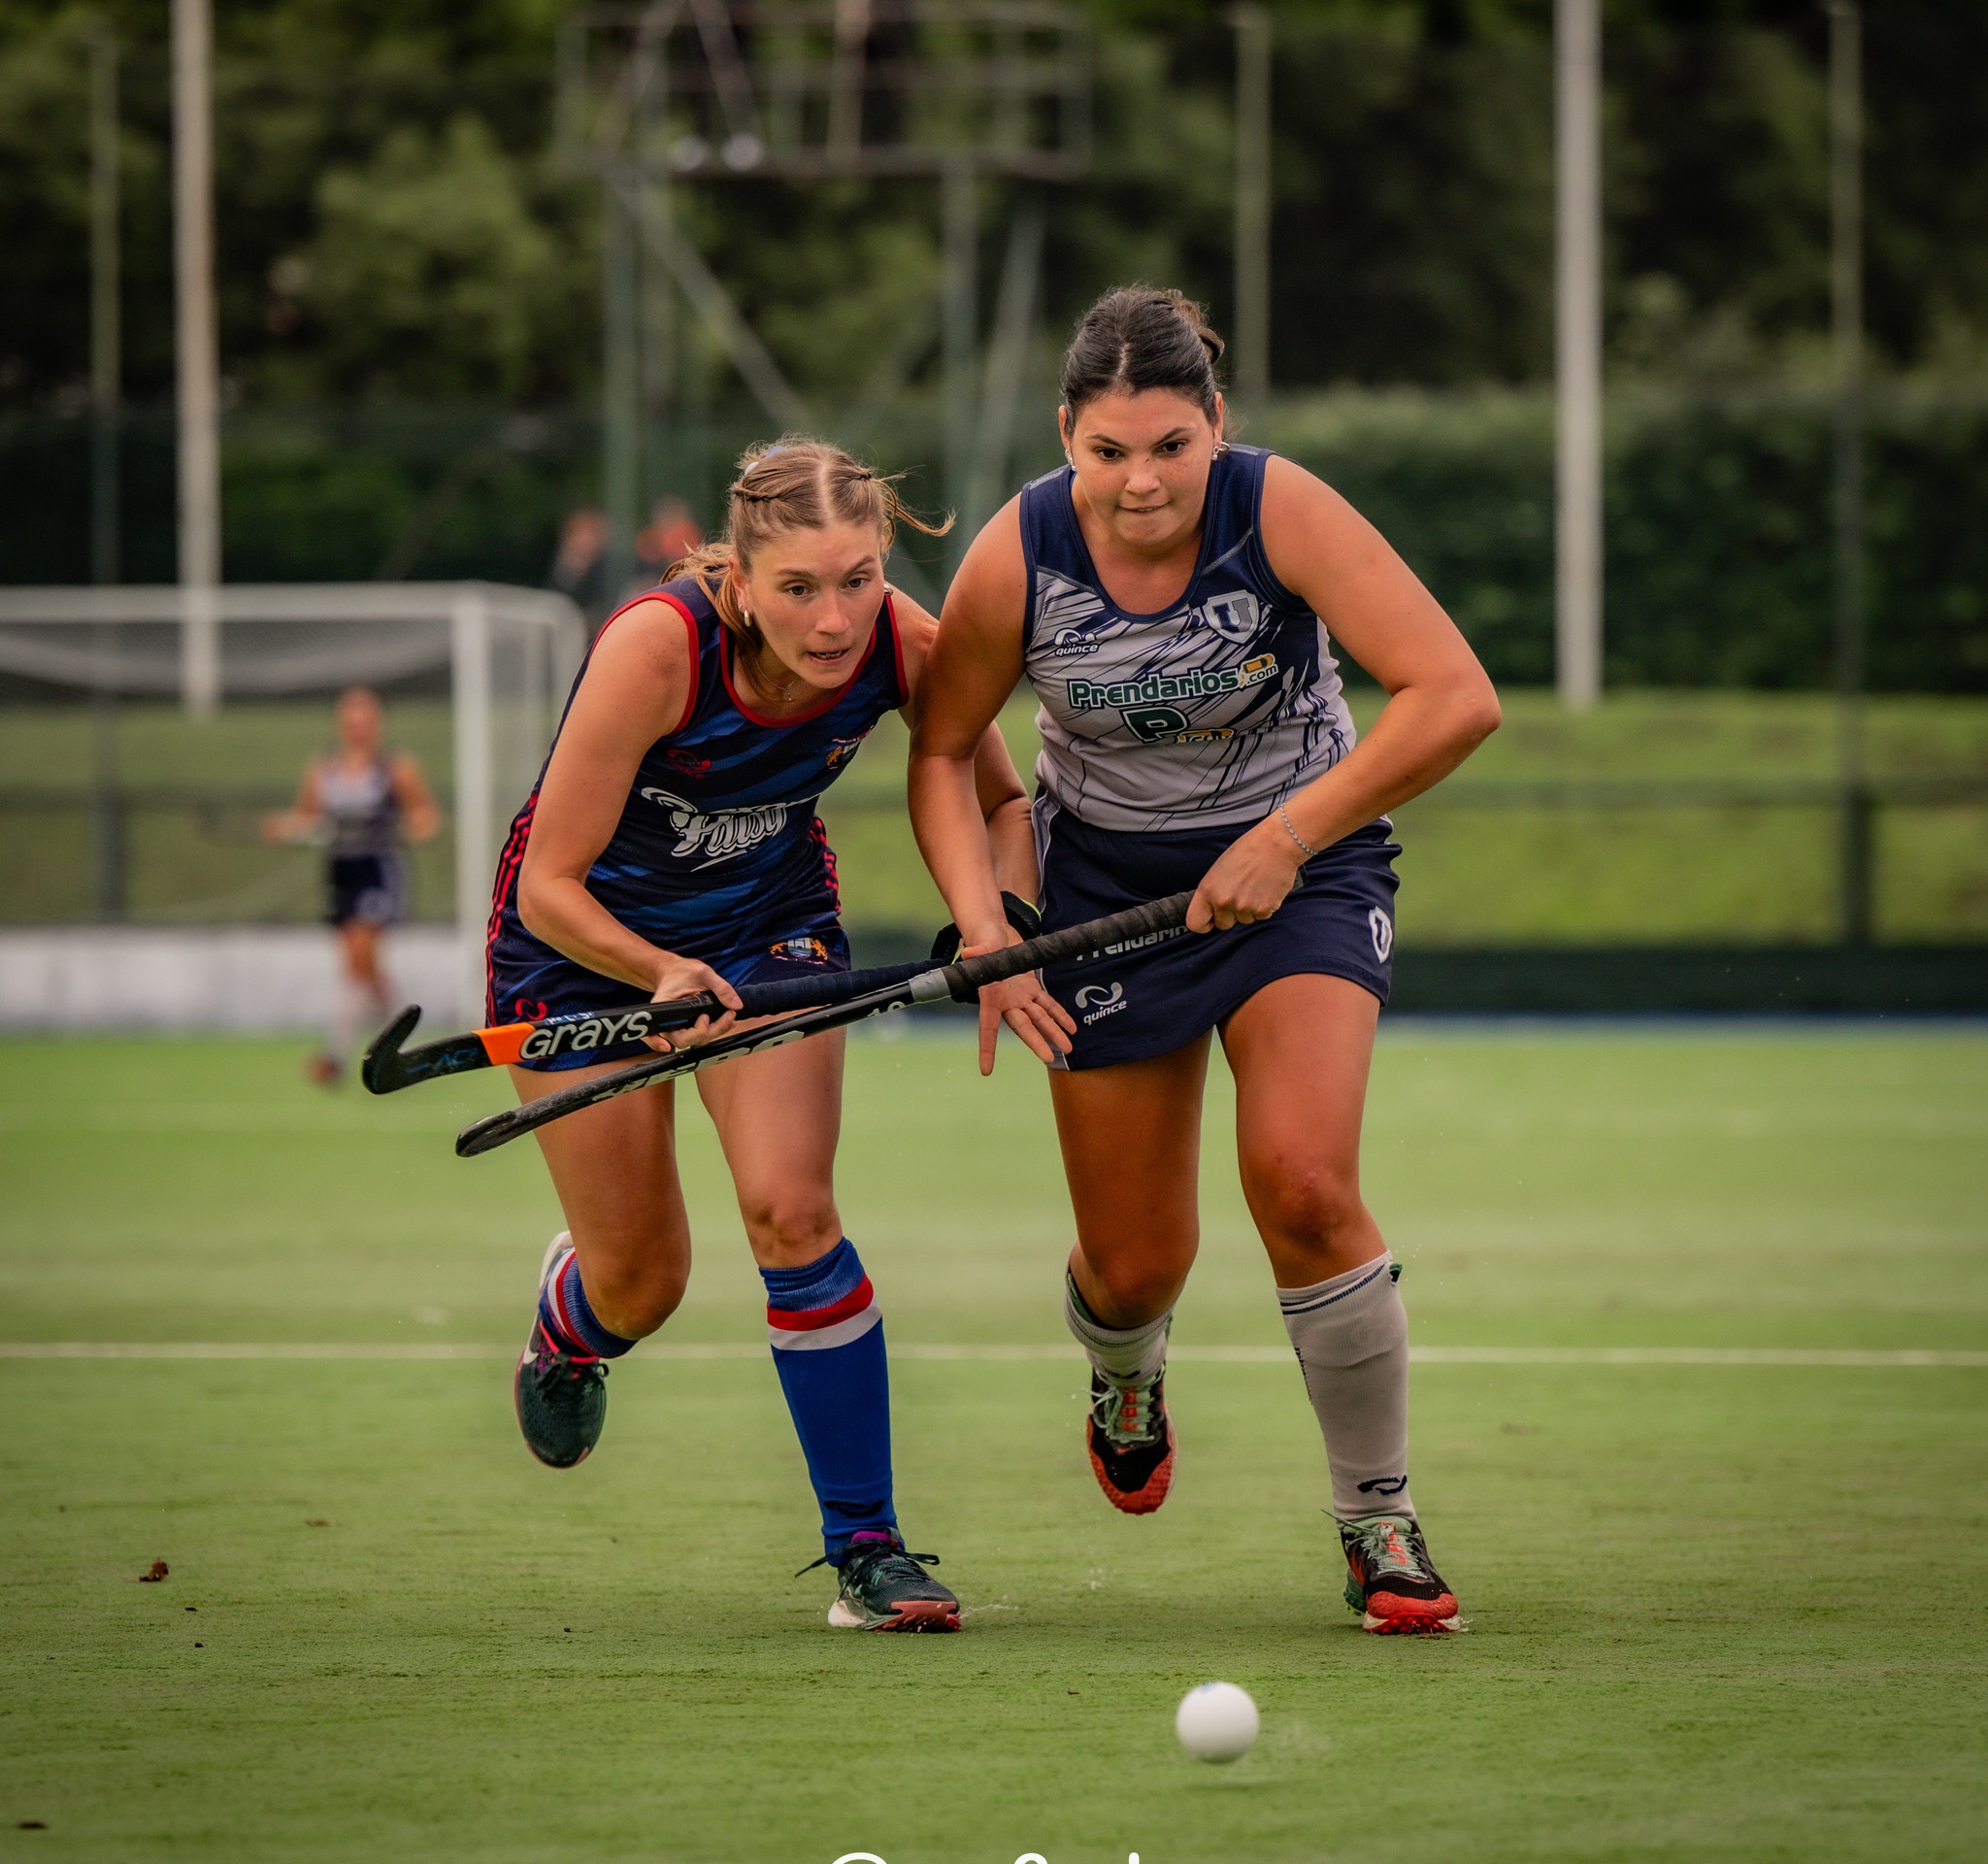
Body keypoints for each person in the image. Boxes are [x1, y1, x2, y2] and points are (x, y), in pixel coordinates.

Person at [907, 288, 1502, 1634]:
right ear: (1068, 436)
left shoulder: (1277, 509)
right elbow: (945, 752)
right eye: (1109, 450)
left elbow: (1455, 693)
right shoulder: (1018, 553)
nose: (1141, 481)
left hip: (1302, 866)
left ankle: (1379, 1519)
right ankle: (1127, 1367)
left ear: (1216, 427)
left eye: (1171, 445)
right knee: (1134, 1265)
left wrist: (1291, 834)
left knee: (1299, 1179)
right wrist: (990, 931)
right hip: (1103, 889)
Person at [485, 438, 1063, 1633]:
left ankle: (867, 1547)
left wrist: (997, 922)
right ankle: (568, 1323)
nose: (834, 614)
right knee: (642, 1282)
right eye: (798, 587)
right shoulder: (657, 647)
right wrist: (655, 971)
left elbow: (1002, 799)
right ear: (740, 582)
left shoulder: (902, 641)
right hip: (579, 948)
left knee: (791, 1213)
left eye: (856, 577)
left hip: (770, 925)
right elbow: (549, 881)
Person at [264, 685, 441, 1085]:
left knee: (361, 955)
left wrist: (416, 827)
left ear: (377, 724)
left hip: (378, 869)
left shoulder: (395, 768)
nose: (358, 726)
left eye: (365, 719)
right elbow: (308, 820)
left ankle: (336, 1055)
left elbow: (424, 814)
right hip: (341, 871)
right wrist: (285, 828)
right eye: (351, 719)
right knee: (361, 968)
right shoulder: (322, 770)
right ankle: (407, 1048)